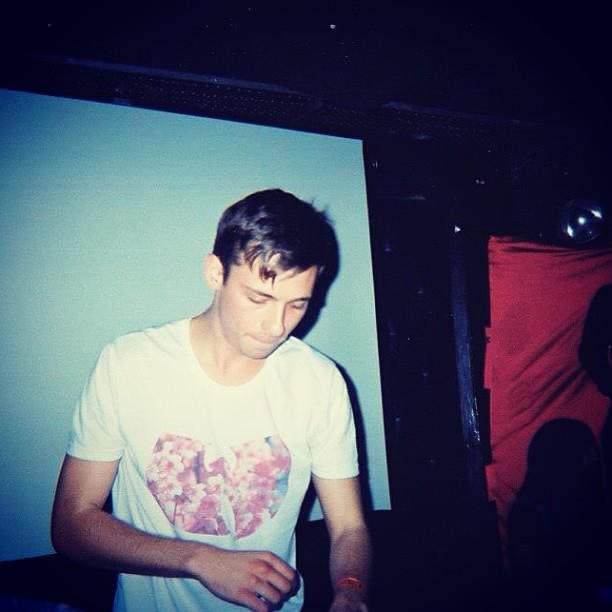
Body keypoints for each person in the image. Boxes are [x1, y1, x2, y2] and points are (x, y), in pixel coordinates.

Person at [51, 189, 371, 612]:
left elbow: (349, 528)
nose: (277, 326)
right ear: (215, 272)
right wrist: (200, 560)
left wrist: (350, 589)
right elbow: (71, 524)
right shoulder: (128, 365)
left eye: (297, 305)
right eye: (259, 298)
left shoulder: (319, 381)